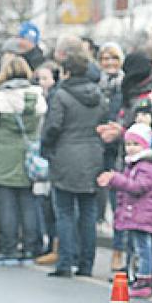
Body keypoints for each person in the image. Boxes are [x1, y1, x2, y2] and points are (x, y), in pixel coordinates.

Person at [0, 53, 46, 265]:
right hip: (28, 155)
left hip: (3, 156)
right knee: (28, 201)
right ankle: (31, 248)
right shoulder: (37, 96)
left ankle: (9, 249)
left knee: (7, 205)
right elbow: (41, 126)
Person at [42, 49, 106, 277]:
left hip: (66, 154)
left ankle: (65, 262)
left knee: (65, 211)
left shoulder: (60, 95)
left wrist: (46, 147)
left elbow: (53, 126)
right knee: (88, 212)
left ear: (66, 72)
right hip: (92, 154)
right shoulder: (99, 94)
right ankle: (86, 264)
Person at [97, 123, 152, 297]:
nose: (131, 148)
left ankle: (144, 280)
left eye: (136, 144)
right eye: (128, 144)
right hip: (134, 213)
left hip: (142, 214)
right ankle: (137, 276)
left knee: (143, 247)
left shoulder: (146, 165)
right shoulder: (132, 164)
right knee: (135, 246)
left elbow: (138, 187)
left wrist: (116, 179)